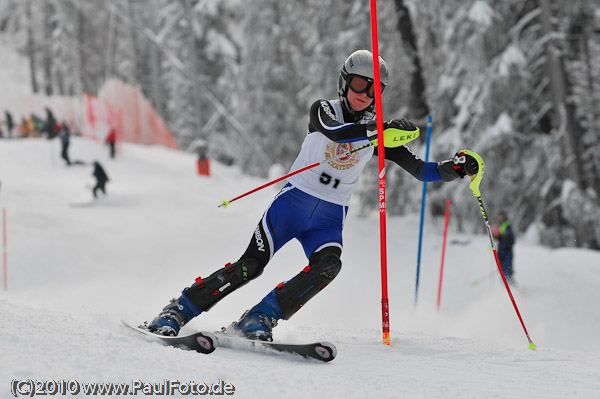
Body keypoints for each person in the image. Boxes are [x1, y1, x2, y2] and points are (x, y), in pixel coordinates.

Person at [143, 49, 479, 340]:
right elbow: (335, 132)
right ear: (345, 83)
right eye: (360, 84)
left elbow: (421, 170)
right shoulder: (324, 110)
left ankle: (260, 317)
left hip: (329, 218)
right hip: (292, 204)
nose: (365, 94)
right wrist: (378, 129)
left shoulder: (377, 132)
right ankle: (179, 309)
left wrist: (457, 167)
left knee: (328, 266)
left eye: (374, 89)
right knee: (250, 266)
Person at [492, 211, 516, 285]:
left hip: (507, 252)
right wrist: (496, 236)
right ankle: (505, 287)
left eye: (501, 216)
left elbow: (510, 238)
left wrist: (500, 237)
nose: (499, 218)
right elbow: (500, 238)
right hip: (501, 252)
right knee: (502, 270)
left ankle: (511, 287)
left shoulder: (507, 225)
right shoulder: (500, 225)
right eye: (499, 216)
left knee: (507, 271)